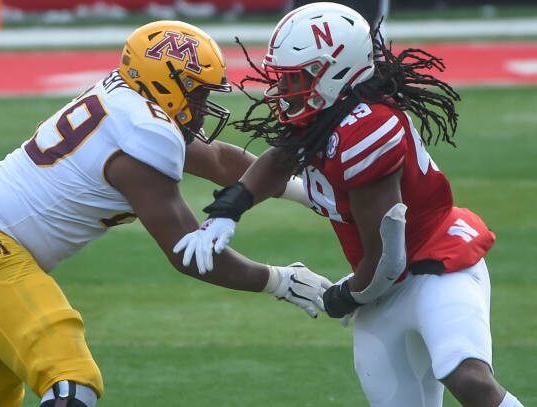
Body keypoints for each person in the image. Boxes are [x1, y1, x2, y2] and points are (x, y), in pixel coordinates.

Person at [0, 21, 331, 407]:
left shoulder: (126, 101)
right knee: (72, 379)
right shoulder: (145, 131)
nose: (203, 107)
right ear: (165, 83)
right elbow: (191, 254)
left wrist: (306, 192)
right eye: (197, 93)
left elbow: (218, 159)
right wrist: (280, 281)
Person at [174, 3, 525, 406]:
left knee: (469, 379)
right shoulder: (330, 114)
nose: (284, 90)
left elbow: (386, 259)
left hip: (435, 266)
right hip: (383, 288)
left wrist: (343, 295)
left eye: (296, 78)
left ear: (335, 72)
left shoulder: (368, 128)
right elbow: (280, 159)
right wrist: (228, 209)